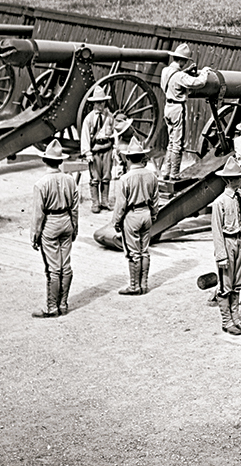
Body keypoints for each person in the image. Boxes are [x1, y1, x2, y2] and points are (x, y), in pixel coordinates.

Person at [31, 140, 80, 318]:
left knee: (53, 268)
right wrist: (74, 227)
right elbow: (75, 207)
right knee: (65, 265)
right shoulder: (70, 180)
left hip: (50, 223)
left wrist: (35, 235)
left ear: (45, 160)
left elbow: (38, 214)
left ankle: (52, 307)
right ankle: (63, 304)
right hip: (66, 221)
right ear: (60, 161)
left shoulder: (41, 184)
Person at [209, 158, 241, 336]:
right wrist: (221, 255)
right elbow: (217, 231)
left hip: (240, 240)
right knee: (225, 285)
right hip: (227, 243)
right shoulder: (219, 202)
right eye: (238, 178)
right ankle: (227, 322)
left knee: (238, 283)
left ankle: (237, 319)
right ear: (229, 180)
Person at [159, 43, 213, 183]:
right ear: (182, 61)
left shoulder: (165, 71)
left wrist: (187, 71)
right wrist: (204, 72)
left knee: (171, 142)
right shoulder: (180, 76)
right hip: (178, 108)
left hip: (168, 107)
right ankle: (175, 174)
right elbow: (198, 83)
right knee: (178, 143)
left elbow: (176, 78)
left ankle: (165, 172)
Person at [111, 139, 159, 296]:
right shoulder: (152, 176)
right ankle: (144, 284)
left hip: (132, 215)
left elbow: (121, 204)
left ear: (128, 158)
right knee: (145, 251)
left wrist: (116, 222)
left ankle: (134, 286)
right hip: (146, 213)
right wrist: (153, 215)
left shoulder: (125, 179)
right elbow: (155, 200)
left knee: (133, 253)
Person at [78, 84, 116, 214]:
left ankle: (105, 201)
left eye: (102, 102)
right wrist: (87, 153)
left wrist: (115, 148)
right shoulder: (89, 119)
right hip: (95, 151)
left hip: (107, 149)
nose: (101, 105)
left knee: (106, 176)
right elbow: (85, 136)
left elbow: (115, 133)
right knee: (95, 178)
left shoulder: (109, 117)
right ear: (94, 103)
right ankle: (95, 203)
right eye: (98, 102)